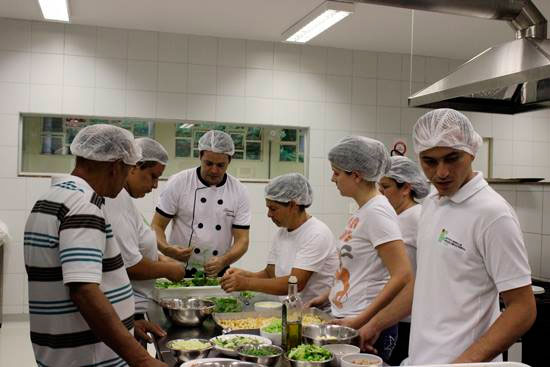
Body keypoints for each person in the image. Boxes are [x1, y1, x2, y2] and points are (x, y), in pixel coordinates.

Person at [357, 108, 536, 365]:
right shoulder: (432, 202)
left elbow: (522, 309)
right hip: (420, 359)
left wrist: (461, 364)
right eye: (430, 161)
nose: (441, 172)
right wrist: (375, 324)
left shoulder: (493, 214)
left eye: (452, 158)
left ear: (472, 151)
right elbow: (426, 286)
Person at [24, 124, 166, 367]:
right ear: (116, 167)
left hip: (70, 351)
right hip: (87, 359)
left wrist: (128, 324)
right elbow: (84, 292)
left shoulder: (54, 197)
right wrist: (142, 360)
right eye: (128, 170)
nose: (124, 182)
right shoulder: (84, 208)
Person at [307, 136, 413, 363]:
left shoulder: (378, 212)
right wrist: (328, 295)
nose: (332, 178)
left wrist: (362, 320)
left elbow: (402, 274)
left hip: (365, 323)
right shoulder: (363, 210)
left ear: (356, 175)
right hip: (348, 317)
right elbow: (359, 267)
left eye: (337, 172)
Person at [220, 173, 338, 306]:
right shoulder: (282, 233)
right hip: (290, 309)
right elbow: (270, 274)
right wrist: (245, 275)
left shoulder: (317, 234)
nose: (269, 214)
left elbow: (295, 283)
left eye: (273, 209)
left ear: (293, 205)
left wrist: (246, 283)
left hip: (314, 313)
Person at [104, 137, 186, 322]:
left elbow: (138, 244)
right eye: (153, 176)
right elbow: (129, 265)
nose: (155, 185)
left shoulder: (125, 199)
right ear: (133, 167)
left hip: (134, 306)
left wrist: (162, 258)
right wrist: (168, 270)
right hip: (124, 310)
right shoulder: (115, 200)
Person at [151, 130, 251, 277]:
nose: (214, 170)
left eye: (220, 165)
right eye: (208, 163)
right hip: (177, 269)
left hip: (219, 271)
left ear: (229, 160)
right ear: (200, 156)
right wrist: (167, 249)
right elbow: (156, 226)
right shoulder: (179, 182)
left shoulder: (239, 190)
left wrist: (224, 260)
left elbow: (242, 239)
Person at [378, 156, 430, 366]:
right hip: (394, 314)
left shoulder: (416, 218)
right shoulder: (395, 217)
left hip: (408, 318)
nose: (380, 193)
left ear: (406, 188)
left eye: (386, 187)